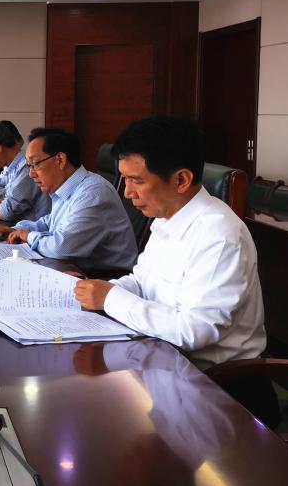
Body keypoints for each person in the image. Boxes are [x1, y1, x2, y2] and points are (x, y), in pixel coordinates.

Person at [74, 115, 266, 369]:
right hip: (161, 358)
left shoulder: (219, 234)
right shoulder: (167, 217)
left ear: (181, 180)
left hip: (214, 380)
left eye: (137, 180)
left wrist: (110, 298)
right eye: (125, 179)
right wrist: (97, 290)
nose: (127, 192)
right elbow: (142, 283)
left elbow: (195, 330)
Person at [0, 128, 137, 272]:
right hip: (75, 270)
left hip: (104, 278)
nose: (31, 174)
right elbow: (50, 222)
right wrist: (17, 229)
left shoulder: (93, 193)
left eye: (35, 164)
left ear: (60, 160)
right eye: (29, 166)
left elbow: (61, 247)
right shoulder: (67, 188)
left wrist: (28, 236)